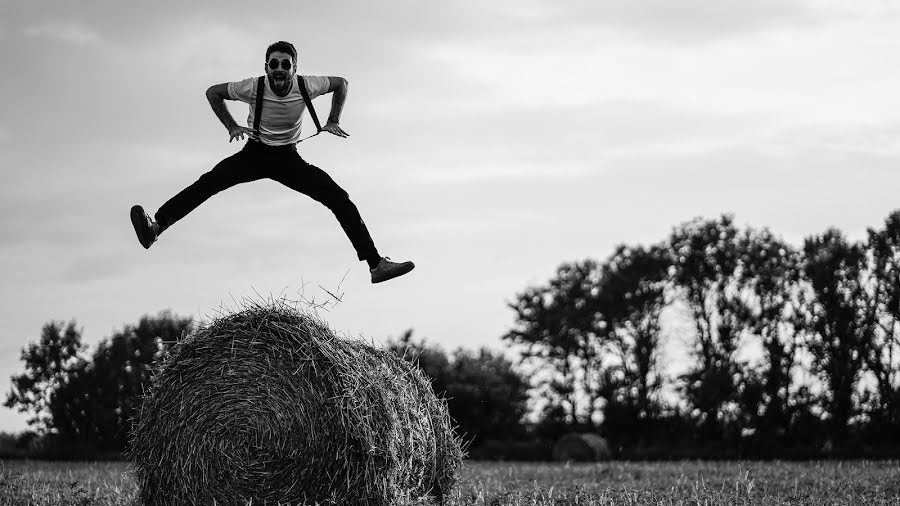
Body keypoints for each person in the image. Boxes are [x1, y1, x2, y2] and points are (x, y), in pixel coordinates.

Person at [130, 41, 414, 284]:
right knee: (208, 183)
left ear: (294, 69)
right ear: (266, 68)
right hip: (255, 154)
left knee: (339, 198)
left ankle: (376, 265)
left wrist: (333, 120)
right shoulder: (252, 87)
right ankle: (156, 227)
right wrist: (231, 125)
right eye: (274, 64)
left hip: (288, 159)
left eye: (285, 65)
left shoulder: (308, 85)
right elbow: (212, 92)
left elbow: (342, 84)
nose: (279, 69)